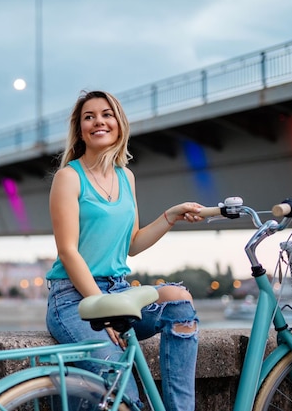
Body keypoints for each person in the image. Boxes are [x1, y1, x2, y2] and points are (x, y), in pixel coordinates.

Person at [45, 90, 204, 411]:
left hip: (118, 291)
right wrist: (101, 308)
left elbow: (132, 244)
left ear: (119, 123)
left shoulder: (125, 176)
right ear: (80, 130)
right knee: (123, 388)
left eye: (106, 114)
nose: (98, 121)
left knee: (180, 303)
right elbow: (68, 252)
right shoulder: (68, 177)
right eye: (88, 117)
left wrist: (170, 216)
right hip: (75, 300)